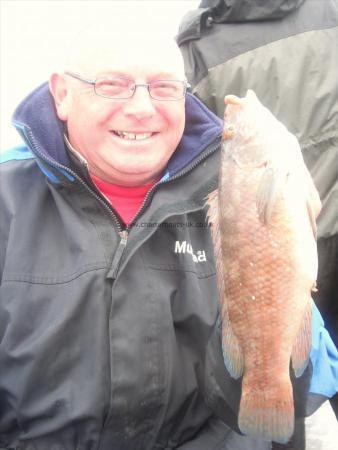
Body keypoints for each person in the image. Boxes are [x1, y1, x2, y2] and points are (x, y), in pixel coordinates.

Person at [0, 18, 337, 450]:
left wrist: (281, 352)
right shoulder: (10, 199)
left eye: (164, 88)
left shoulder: (231, 185)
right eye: (112, 85)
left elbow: (314, 375)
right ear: (62, 94)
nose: (141, 109)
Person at [177, 0, 338, 439]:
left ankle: (280, 420)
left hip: (296, 242)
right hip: (296, 245)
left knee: (306, 369)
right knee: (299, 365)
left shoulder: (196, 37)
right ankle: (273, 401)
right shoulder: (327, 13)